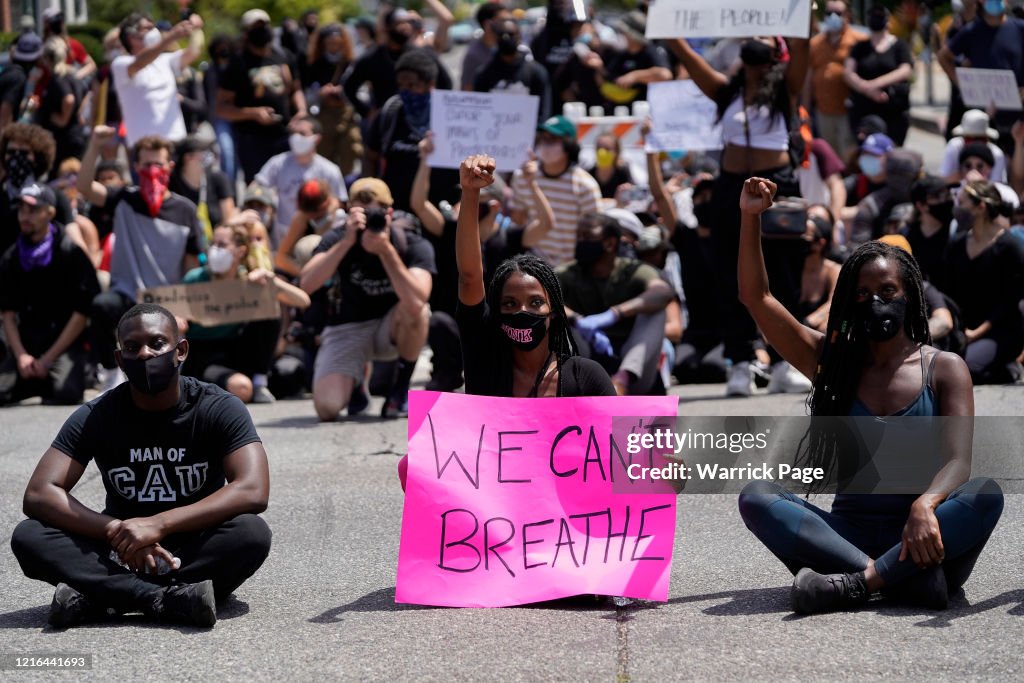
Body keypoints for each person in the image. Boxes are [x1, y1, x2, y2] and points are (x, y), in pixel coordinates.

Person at [735, 176, 1004, 614]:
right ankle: (889, 580)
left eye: (886, 292)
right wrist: (750, 219)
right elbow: (757, 297)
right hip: (847, 538)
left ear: (909, 297)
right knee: (757, 496)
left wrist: (925, 504)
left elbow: (959, 462)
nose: (874, 302)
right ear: (847, 302)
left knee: (986, 493)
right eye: (861, 294)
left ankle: (854, 586)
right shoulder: (831, 361)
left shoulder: (945, 367)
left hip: (925, 535)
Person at [10, 303, 271, 628]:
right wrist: (115, 530)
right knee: (29, 535)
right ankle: (166, 599)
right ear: (120, 360)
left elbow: (253, 489)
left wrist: (159, 524)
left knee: (250, 533)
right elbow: (39, 493)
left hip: (193, 546)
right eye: (132, 347)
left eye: (157, 343)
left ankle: (100, 594)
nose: (145, 354)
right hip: (119, 549)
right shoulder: (97, 414)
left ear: (180, 350)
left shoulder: (218, 407)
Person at [666, 33, 809, 396]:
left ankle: (785, 362)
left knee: (781, 276)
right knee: (732, 278)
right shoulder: (727, 91)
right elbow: (688, 58)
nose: (754, 40)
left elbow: (803, 48)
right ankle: (740, 363)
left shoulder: (784, 89)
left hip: (776, 187)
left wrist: (802, 16)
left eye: (763, 36)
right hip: (731, 189)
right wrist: (670, 29)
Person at [78, 129, 205, 395]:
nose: (152, 170)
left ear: (170, 166)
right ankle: (112, 374)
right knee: (102, 306)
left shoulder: (185, 211)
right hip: (127, 294)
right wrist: (94, 146)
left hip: (166, 300)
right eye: (146, 164)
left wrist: (184, 308)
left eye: (158, 164)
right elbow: (85, 188)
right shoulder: (125, 199)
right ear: (136, 167)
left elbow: (192, 266)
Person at [299, 178, 435, 420]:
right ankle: (356, 382)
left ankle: (400, 390)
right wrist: (346, 243)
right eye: (361, 211)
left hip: (391, 326)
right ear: (349, 211)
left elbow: (416, 301)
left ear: (389, 213)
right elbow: (307, 284)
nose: (369, 219)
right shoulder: (339, 236)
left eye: (375, 211)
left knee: (419, 312)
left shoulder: (409, 240)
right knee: (327, 408)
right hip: (347, 326)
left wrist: (386, 251)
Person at [182, 225, 310, 404]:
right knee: (241, 388)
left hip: (237, 351)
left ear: (240, 251)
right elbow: (177, 316)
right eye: (213, 243)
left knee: (267, 302)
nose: (215, 249)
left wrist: (270, 280)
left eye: (222, 244)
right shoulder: (195, 279)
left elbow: (303, 300)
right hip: (204, 356)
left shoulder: (247, 280)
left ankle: (259, 381)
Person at [0, 184, 99, 406]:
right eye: (22, 210)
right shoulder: (11, 257)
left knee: (67, 392)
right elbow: (7, 314)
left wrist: (47, 359)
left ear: (50, 213)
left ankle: (46, 375)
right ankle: (32, 376)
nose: (25, 216)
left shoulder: (70, 252)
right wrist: (21, 356)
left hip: (62, 340)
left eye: (33, 210)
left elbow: (81, 314)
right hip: (26, 340)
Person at [557, 212, 674, 395]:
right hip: (586, 360)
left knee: (655, 312)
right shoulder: (568, 273)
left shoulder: (632, 270)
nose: (581, 242)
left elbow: (663, 291)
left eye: (587, 237)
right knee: (558, 319)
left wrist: (615, 314)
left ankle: (621, 382)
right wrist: (577, 319)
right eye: (578, 237)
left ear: (610, 243)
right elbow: (542, 294)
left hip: (631, 366)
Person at [940, 180, 1024, 383]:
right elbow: (946, 290)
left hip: (999, 330)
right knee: (938, 366)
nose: (957, 207)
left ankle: (1008, 367)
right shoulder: (957, 243)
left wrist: (978, 332)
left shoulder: (1010, 247)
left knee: (965, 371)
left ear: (981, 207)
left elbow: (1011, 301)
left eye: (962, 202)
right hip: (963, 330)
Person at [216, 9, 308, 183]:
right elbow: (221, 108)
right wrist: (253, 113)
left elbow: (296, 89)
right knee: (260, 188)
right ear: (246, 33)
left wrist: (302, 110)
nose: (262, 30)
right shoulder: (237, 63)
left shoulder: (283, 55)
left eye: (264, 26)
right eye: (256, 27)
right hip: (253, 140)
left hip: (284, 133)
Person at [365, 49, 458, 213]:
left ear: (430, 85)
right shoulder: (389, 113)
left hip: (441, 211)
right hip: (396, 211)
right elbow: (371, 157)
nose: (406, 91)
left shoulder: (451, 116)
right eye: (401, 85)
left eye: (412, 85)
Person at [509, 115, 601, 266]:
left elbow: (592, 233)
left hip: (570, 267)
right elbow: (518, 219)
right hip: (533, 263)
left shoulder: (585, 185)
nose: (545, 144)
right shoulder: (522, 177)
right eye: (543, 139)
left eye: (552, 139)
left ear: (568, 145)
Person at [939, 0, 1024, 156]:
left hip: (1018, 117)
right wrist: (963, 84)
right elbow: (944, 57)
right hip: (984, 118)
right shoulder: (971, 31)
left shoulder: (1020, 28)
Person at [112, 12, 205, 148]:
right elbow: (139, 62)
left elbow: (193, 52)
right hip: (144, 145)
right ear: (131, 37)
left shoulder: (165, 60)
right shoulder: (121, 63)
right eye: (147, 28)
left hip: (175, 140)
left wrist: (196, 29)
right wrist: (171, 37)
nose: (153, 32)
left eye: (153, 27)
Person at [254, 116, 347, 246]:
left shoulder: (330, 170)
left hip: (317, 233)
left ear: (316, 138)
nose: (296, 137)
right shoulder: (277, 163)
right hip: (283, 232)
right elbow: (256, 188)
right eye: (293, 133)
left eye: (302, 133)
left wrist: (320, 213)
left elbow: (340, 201)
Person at [0, 123, 76, 256]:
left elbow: (72, 236)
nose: (16, 158)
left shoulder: (54, 198)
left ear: (38, 157)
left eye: (24, 153)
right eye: (11, 152)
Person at [844, 5, 914, 146]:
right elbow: (848, 73)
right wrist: (867, 89)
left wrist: (874, 84)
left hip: (893, 112)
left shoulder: (899, 45)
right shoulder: (860, 47)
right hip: (864, 111)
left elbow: (905, 70)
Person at [808, 0, 867, 158]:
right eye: (829, 13)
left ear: (847, 15)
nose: (833, 16)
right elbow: (809, 78)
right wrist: (805, 108)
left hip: (849, 111)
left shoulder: (859, 41)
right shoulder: (815, 43)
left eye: (838, 13)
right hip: (823, 111)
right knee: (829, 156)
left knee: (849, 154)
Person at [304, 23, 362, 177]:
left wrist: (344, 92)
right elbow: (306, 90)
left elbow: (360, 90)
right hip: (323, 113)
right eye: (330, 43)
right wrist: (321, 92)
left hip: (346, 113)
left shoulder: (351, 64)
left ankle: (345, 185)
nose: (333, 46)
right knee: (323, 152)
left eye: (337, 42)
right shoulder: (315, 64)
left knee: (350, 147)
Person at [472, 18, 552, 121]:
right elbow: (478, 113)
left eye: (511, 34)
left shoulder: (536, 73)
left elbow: (543, 114)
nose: (506, 38)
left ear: (519, 36)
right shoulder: (483, 75)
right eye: (502, 35)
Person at [168, 136, 237, 240]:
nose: (209, 155)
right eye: (203, 152)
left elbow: (228, 220)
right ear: (188, 158)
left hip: (216, 245)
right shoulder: (170, 184)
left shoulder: (218, 179)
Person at [597, 11, 672, 107]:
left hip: (647, 110)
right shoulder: (622, 55)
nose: (622, 35)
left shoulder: (651, 51)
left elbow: (665, 75)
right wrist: (598, 68)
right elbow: (609, 80)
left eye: (624, 32)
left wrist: (635, 76)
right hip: (622, 111)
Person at [35, 37, 86, 173]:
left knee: (62, 179)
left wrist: (63, 119)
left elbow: (68, 99)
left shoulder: (59, 78)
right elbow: (86, 92)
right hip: (74, 135)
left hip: (64, 139)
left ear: (47, 58)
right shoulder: (72, 75)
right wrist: (79, 113)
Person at [905, 176, 955, 283]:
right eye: (937, 197)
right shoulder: (907, 238)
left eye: (947, 195)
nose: (945, 201)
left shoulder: (955, 233)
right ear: (921, 205)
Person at [940, 110, 1007, 184]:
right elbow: (943, 180)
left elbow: (997, 186)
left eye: (979, 139)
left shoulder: (997, 154)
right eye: (969, 139)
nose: (974, 144)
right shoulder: (954, 146)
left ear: (987, 138)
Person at [461, 2, 511, 91]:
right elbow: (468, 89)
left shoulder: (514, 48)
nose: (508, 25)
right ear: (488, 24)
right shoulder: (474, 55)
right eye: (503, 21)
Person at [0, 32, 43, 130]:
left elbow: (14, 106)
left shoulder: (11, 70)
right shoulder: (18, 77)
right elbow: (4, 114)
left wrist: (29, 105)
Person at [586, 133, 634, 200]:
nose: (601, 152)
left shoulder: (623, 173)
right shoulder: (588, 174)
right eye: (599, 148)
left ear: (616, 151)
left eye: (607, 148)